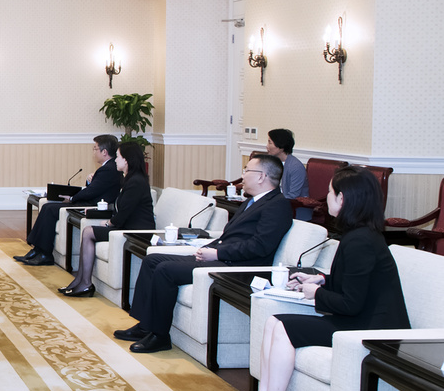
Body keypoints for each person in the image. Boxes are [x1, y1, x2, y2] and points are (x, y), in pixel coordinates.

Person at [232, 166, 408, 391]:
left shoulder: (360, 241)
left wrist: (316, 294)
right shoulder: (361, 235)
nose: (326, 198)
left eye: (329, 192)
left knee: (283, 326)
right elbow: (357, 282)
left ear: (343, 198)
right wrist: (322, 280)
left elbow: (351, 303)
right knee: (273, 322)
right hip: (361, 320)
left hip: (372, 330)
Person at [117, 152, 294, 354]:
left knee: (165, 269)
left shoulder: (277, 205)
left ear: (262, 176)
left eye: (247, 170)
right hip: (222, 257)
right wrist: (208, 247)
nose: (243, 175)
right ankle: (144, 326)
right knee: (152, 259)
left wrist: (218, 253)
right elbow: (231, 236)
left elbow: (260, 246)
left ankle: (160, 336)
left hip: (237, 267)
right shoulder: (252, 201)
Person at [58, 141, 153, 298]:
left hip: (136, 231)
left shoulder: (136, 182)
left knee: (88, 232)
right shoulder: (129, 179)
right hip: (126, 226)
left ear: (126, 160)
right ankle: (80, 281)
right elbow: (121, 208)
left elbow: (125, 213)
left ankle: (84, 283)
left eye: (118, 157)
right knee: (88, 231)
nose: (115, 160)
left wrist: (110, 223)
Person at [17, 134, 122, 266]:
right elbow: (95, 188)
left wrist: (72, 198)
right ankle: (38, 249)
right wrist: (89, 181)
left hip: (92, 206)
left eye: (95, 149)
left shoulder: (108, 169)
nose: (93, 152)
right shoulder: (108, 167)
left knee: (49, 209)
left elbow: (91, 192)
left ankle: (44, 253)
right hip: (90, 201)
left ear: (104, 152)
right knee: (47, 207)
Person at [266, 128, 309, 220]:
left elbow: (293, 196)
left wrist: (270, 202)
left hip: (295, 210)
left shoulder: (296, 167)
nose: (267, 146)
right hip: (277, 205)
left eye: (270, 143)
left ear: (281, 146)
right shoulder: (272, 162)